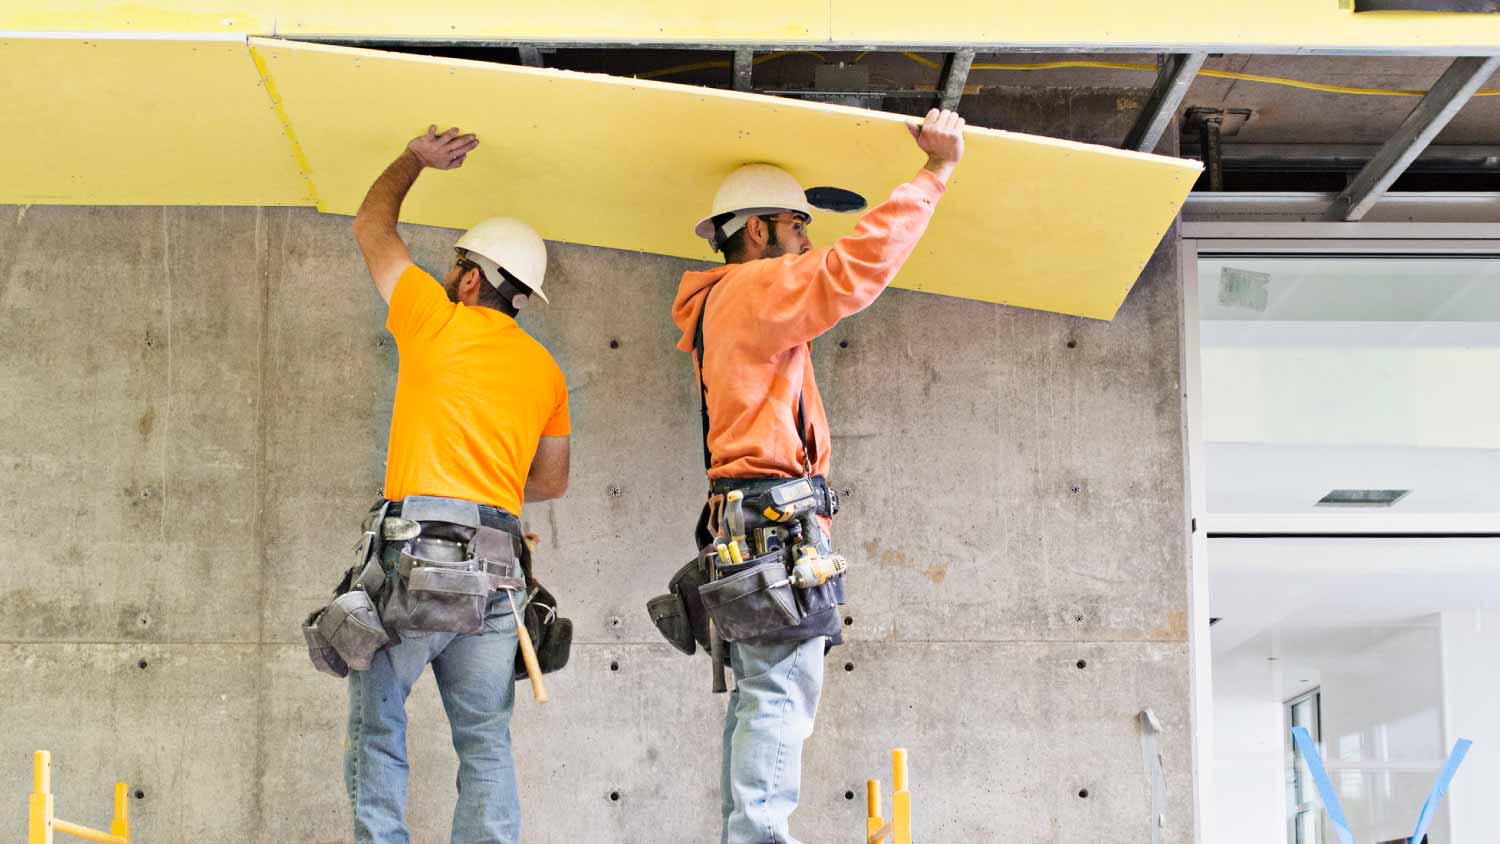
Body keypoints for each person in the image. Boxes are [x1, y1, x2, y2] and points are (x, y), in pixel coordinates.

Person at [670, 108, 965, 844]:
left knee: (760, 700)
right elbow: (853, 269)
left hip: (756, 526)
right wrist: (935, 174)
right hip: (773, 527)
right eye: (797, 226)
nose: (808, 241)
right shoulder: (756, 288)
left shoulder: (724, 305)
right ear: (760, 229)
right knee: (776, 697)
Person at [345, 125, 571, 844]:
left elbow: (371, 224)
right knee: (484, 741)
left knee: (379, 718)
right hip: (497, 571)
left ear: (471, 280)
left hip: (416, 556)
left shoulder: (430, 318)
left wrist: (414, 158)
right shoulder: (545, 372)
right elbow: (553, 480)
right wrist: (489, 478)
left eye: (456, 267)